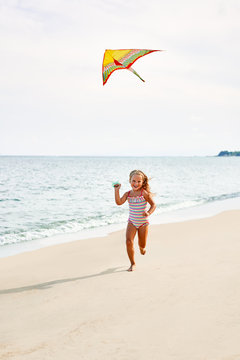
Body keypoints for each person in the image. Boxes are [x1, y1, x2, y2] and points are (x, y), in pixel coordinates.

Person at [113, 170, 156, 271]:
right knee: (128, 242)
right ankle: (133, 263)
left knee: (142, 244)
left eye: (139, 181)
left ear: (142, 182)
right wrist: (116, 190)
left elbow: (153, 205)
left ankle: (142, 248)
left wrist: (148, 213)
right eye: (134, 181)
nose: (136, 183)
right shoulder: (128, 194)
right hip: (132, 222)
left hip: (143, 223)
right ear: (129, 181)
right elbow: (119, 202)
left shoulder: (144, 193)